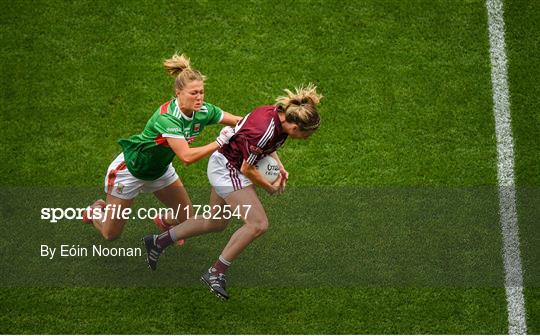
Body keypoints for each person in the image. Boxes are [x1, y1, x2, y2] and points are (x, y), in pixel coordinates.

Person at [142, 84, 322, 300]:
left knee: (215, 222)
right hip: (228, 170)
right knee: (258, 224)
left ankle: (158, 241)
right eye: (307, 135)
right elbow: (248, 168)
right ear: (295, 127)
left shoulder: (277, 115)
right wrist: (269, 187)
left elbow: (268, 147)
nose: (307, 139)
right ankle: (215, 272)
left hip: (226, 161)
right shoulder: (264, 130)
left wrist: (279, 167)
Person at [83, 53, 242, 241]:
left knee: (187, 219)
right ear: (178, 93)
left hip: (160, 170)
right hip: (131, 170)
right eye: (193, 93)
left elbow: (239, 121)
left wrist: (260, 125)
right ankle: (94, 212)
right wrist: (219, 142)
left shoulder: (204, 111)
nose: (199, 98)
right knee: (110, 234)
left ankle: (165, 221)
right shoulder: (168, 119)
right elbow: (187, 157)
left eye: (201, 92)